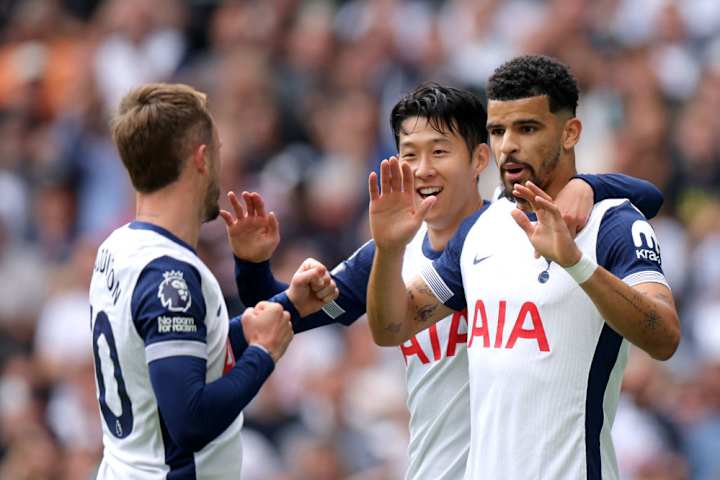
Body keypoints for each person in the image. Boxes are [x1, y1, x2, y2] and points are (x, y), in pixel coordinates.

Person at [228, 83, 664, 479]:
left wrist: (587, 184)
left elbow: (647, 196)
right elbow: (275, 317)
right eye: (409, 154)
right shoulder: (389, 256)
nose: (421, 170)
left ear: (479, 159)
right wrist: (253, 267)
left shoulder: (511, 229)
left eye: (439, 152)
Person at [365, 57, 681, 479]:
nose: (507, 146)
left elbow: (664, 337)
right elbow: (391, 328)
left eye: (526, 129)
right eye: (497, 131)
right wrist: (389, 249)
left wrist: (576, 264)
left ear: (570, 133)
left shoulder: (614, 224)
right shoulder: (482, 229)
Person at [89, 83, 335, 479]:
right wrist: (263, 354)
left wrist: (284, 307)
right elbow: (190, 420)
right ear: (201, 159)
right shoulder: (170, 274)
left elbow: (183, 356)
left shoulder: (116, 248)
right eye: (218, 150)